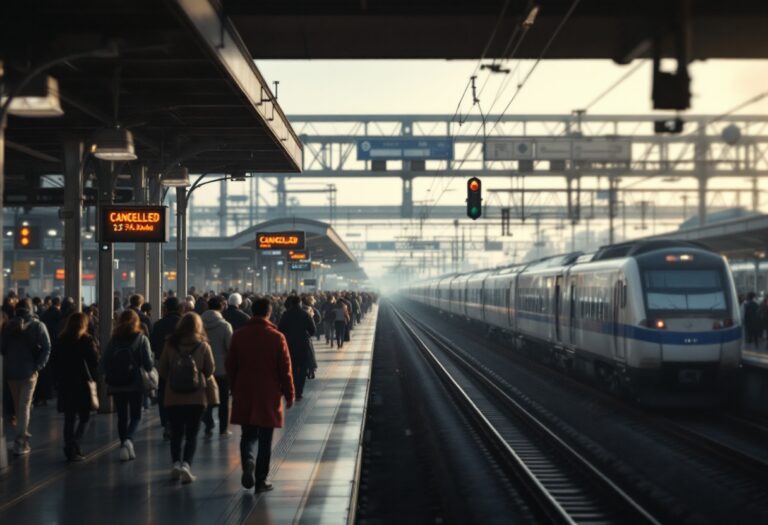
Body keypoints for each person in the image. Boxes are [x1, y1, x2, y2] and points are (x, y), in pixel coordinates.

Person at [227, 297, 295, 493]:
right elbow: (285, 369)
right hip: (269, 394)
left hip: (245, 390)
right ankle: (261, 479)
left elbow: (230, 365)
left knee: (247, 435)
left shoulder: (239, 335)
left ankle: (248, 459)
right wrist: (290, 394)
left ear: (251, 311)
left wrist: (235, 385)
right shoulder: (277, 337)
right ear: (269, 313)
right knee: (266, 438)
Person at [158, 312, 214, 484]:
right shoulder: (203, 345)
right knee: (192, 433)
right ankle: (186, 466)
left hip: (173, 396)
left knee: (176, 432)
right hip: (196, 397)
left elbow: (162, 369)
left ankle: (175, 462)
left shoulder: (170, 344)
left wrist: (173, 380)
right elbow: (210, 370)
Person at [1, 298, 51, 456]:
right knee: (24, 406)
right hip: (29, 372)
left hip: (11, 373)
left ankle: (21, 436)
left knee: (19, 407)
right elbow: (47, 347)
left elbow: (2, 348)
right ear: (31, 309)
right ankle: (21, 440)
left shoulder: (8, 326)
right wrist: (38, 366)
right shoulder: (37, 325)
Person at [101, 309, 153, 462]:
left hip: (117, 384)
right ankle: (129, 440)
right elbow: (148, 365)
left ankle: (123, 444)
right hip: (135, 383)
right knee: (136, 415)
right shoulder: (141, 339)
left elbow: (103, 362)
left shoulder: (114, 340)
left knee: (122, 417)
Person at [51, 312, 99, 461]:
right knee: (84, 417)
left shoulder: (61, 340)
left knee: (69, 418)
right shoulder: (86, 340)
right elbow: (94, 362)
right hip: (83, 384)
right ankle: (74, 444)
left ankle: (69, 446)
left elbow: (54, 363)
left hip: (65, 384)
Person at [150, 296, 183, 439]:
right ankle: (177, 422)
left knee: (163, 393)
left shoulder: (158, 324)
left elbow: (152, 345)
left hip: (162, 364)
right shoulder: (183, 324)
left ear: (165, 308)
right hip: (181, 364)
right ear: (178, 308)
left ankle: (165, 422)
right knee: (180, 393)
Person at [201, 296, 233, 437]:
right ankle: (223, 429)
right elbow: (230, 347)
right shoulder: (225, 325)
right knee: (223, 400)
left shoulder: (198, 324)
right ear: (221, 307)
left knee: (205, 398)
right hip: (221, 369)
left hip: (202, 368)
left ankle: (208, 425)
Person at [278, 296, 316, 400]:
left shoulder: (285, 314)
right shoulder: (305, 314)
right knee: (303, 368)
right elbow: (313, 330)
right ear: (299, 303)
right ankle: (299, 392)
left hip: (289, 345)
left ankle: (292, 389)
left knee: (292, 368)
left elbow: (280, 329)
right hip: (303, 345)